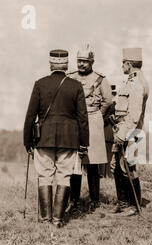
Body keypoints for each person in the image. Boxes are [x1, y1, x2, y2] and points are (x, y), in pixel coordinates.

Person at [23, 49, 89, 227]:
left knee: (44, 176)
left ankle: (45, 220)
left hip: (43, 138)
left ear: (51, 64)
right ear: (66, 65)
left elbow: (30, 115)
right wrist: (84, 144)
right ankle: (58, 220)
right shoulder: (76, 86)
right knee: (64, 176)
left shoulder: (40, 84)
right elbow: (83, 118)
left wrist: (27, 141)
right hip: (69, 139)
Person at [67, 45, 113, 213]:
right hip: (74, 122)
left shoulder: (100, 79)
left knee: (93, 163)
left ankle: (95, 200)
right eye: (79, 61)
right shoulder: (70, 77)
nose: (82, 65)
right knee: (75, 162)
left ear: (92, 62)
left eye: (85, 62)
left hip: (93, 121)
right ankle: (74, 200)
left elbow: (107, 101)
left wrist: (96, 115)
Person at [110, 48, 149, 215]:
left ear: (129, 64)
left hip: (130, 132)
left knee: (128, 167)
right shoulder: (131, 81)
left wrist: (122, 134)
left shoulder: (137, 83)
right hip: (122, 129)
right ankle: (123, 204)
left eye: (123, 63)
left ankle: (134, 206)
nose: (121, 66)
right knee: (117, 167)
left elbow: (134, 115)